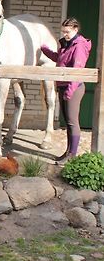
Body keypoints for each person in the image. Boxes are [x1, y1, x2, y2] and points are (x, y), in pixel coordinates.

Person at [41, 17, 92, 165]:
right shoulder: (67, 44)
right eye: (63, 32)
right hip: (63, 86)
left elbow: (77, 69)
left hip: (74, 87)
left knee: (72, 121)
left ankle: (73, 155)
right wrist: (46, 51)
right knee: (68, 121)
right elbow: (60, 60)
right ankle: (68, 152)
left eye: (68, 32)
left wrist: (70, 90)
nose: (65, 34)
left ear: (76, 29)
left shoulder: (79, 45)